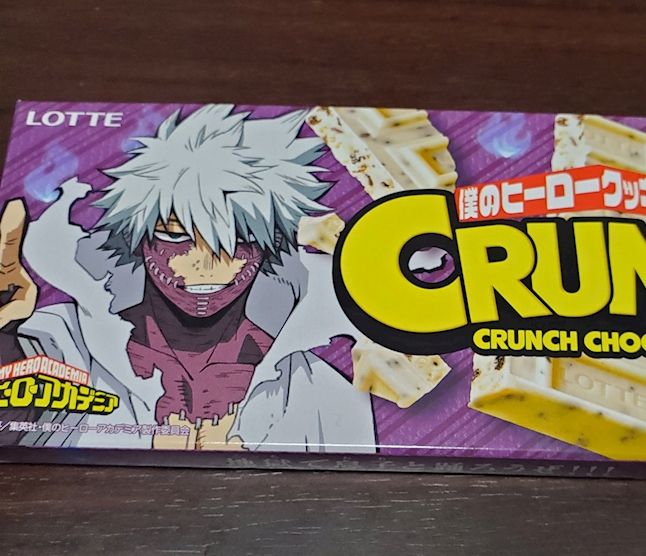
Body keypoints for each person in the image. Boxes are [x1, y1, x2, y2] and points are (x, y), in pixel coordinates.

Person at [0, 104, 376, 453]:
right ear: (138, 238)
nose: (203, 263)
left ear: (269, 245)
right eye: (175, 235)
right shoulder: (66, 338)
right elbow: (12, 418)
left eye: (237, 239)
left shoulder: (319, 392)